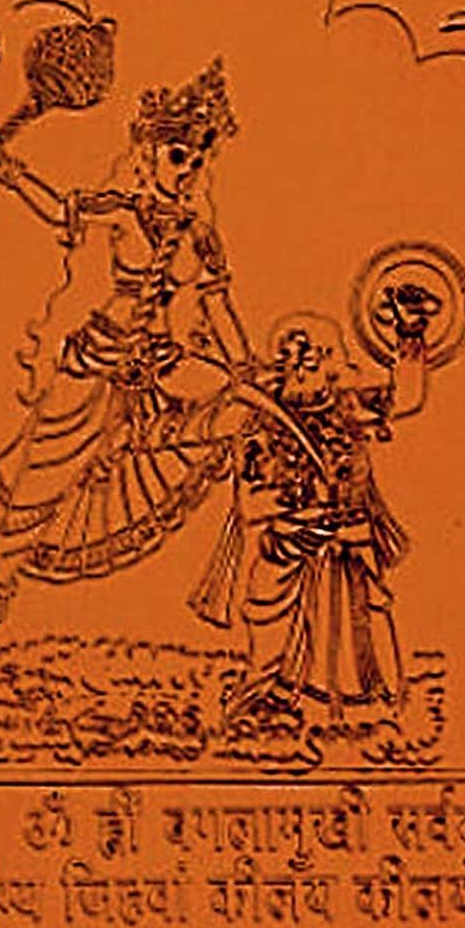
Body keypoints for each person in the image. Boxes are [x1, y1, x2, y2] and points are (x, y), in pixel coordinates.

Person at [0, 58, 252, 652]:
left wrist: (248, 372)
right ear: (149, 152)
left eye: (197, 160)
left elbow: (218, 308)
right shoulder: (121, 211)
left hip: (162, 365)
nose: (187, 170)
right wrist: (5, 169)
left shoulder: (198, 234)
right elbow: (58, 209)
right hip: (96, 362)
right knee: (41, 484)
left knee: (242, 409)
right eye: (177, 156)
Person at [192, 284, 438, 725]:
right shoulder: (261, 424)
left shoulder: (350, 406)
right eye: (296, 360)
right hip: (288, 544)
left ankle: (373, 704)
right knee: (267, 612)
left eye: (315, 359)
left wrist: (410, 335)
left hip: (349, 538)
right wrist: (294, 519)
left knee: (365, 616)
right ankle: (271, 692)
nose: (306, 369)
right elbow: (249, 504)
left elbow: (407, 397)